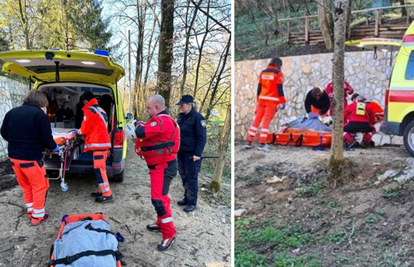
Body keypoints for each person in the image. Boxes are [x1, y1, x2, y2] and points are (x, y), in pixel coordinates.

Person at [128, 95, 179, 251]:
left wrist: (136, 125)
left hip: (163, 167)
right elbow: (146, 128)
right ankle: (160, 222)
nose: (147, 110)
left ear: (157, 107)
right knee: (161, 198)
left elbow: (142, 132)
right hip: (160, 166)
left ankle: (169, 234)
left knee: (159, 200)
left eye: (148, 108)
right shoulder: (162, 121)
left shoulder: (162, 121)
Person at [1, 90, 58, 226]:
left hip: (14, 158)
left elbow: (3, 132)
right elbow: (46, 138)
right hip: (31, 159)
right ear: (41, 101)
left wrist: (17, 142)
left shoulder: (12, 112)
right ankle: (37, 217)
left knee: (26, 186)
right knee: (40, 187)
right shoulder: (39, 115)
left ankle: (30, 210)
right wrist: (53, 147)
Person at [75, 91, 113, 203]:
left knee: (99, 171)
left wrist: (78, 132)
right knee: (101, 170)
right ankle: (101, 190)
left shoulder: (89, 110)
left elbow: (85, 129)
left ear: (85, 101)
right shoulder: (100, 110)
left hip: (98, 145)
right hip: (103, 144)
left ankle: (107, 194)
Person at [245, 57, 286, 151]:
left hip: (261, 100)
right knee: (266, 122)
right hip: (272, 101)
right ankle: (262, 144)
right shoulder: (278, 74)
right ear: (279, 65)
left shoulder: (263, 72)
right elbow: (280, 89)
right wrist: (283, 101)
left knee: (256, 120)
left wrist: (258, 99)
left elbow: (259, 88)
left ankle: (249, 141)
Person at [175, 95, 207, 213]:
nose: (181, 107)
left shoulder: (198, 118)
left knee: (191, 177)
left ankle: (192, 202)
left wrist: (197, 153)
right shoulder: (181, 117)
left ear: (189, 105)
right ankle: (187, 197)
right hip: (181, 152)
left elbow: (202, 138)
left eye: (182, 105)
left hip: (192, 154)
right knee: (183, 175)